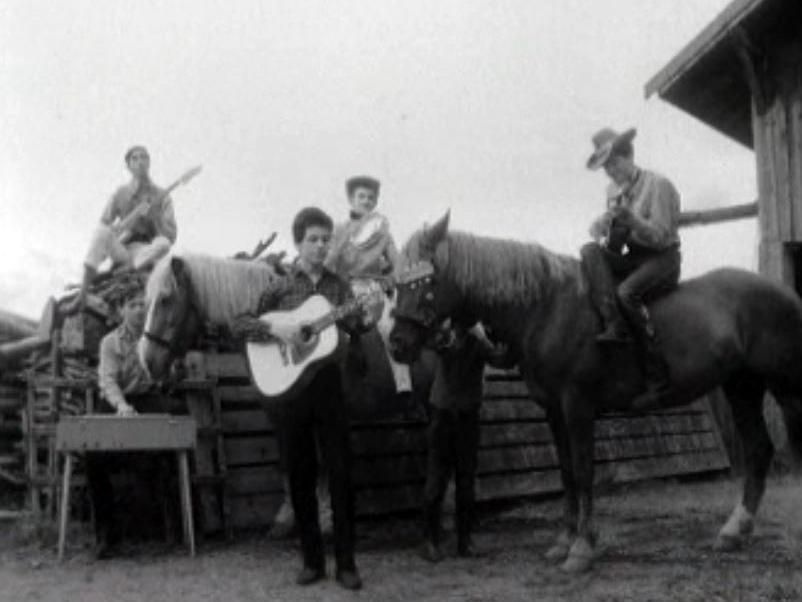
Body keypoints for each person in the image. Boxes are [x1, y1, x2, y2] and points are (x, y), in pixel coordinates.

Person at [232, 207, 373, 591]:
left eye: (326, 239)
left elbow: (355, 328)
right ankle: (312, 561)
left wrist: (367, 315)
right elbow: (239, 324)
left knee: (342, 474)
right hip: (289, 393)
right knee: (300, 475)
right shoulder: (280, 286)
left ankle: (346, 563)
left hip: (329, 387)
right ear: (298, 243)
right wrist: (278, 326)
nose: (320, 246)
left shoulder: (339, 287)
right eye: (313, 239)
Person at [580, 127, 681, 404]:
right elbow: (615, 242)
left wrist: (632, 220)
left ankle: (659, 380)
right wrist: (603, 227)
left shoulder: (658, 184)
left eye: (614, 163)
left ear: (629, 156)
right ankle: (614, 324)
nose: (610, 171)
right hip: (634, 257)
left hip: (663, 258)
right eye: (606, 168)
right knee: (589, 251)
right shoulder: (612, 191)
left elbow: (661, 237)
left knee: (627, 293)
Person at [84, 286, 179, 558]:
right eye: (133, 304)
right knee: (94, 457)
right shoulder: (110, 342)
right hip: (117, 401)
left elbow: (164, 375)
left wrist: (172, 372)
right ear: (121, 310)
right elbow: (108, 380)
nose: (139, 309)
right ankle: (107, 536)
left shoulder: (156, 339)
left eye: (142, 304)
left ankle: (172, 531)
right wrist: (122, 407)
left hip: (147, 397)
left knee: (168, 448)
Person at [420, 321, 512, 562]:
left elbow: (501, 360)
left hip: (468, 414)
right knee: (436, 479)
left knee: (466, 480)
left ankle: (464, 541)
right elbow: (437, 344)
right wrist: (459, 333)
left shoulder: (480, 338)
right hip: (443, 412)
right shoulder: (446, 330)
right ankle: (430, 540)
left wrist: (487, 338)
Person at [325, 175, 413, 400]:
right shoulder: (340, 230)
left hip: (374, 289)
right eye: (361, 196)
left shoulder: (383, 233)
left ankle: (404, 386)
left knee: (390, 329)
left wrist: (392, 279)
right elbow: (329, 264)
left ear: (374, 203)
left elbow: (398, 263)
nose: (365, 201)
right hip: (345, 288)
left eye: (370, 198)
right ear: (351, 200)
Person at [63, 145, 177, 314]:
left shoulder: (162, 195)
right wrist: (121, 228)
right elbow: (104, 222)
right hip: (122, 249)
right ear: (128, 166)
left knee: (164, 244)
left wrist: (155, 218)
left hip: (145, 251)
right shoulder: (120, 193)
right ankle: (83, 293)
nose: (140, 162)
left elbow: (171, 235)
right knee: (101, 232)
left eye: (144, 157)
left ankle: (131, 269)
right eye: (135, 158)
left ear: (149, 162)